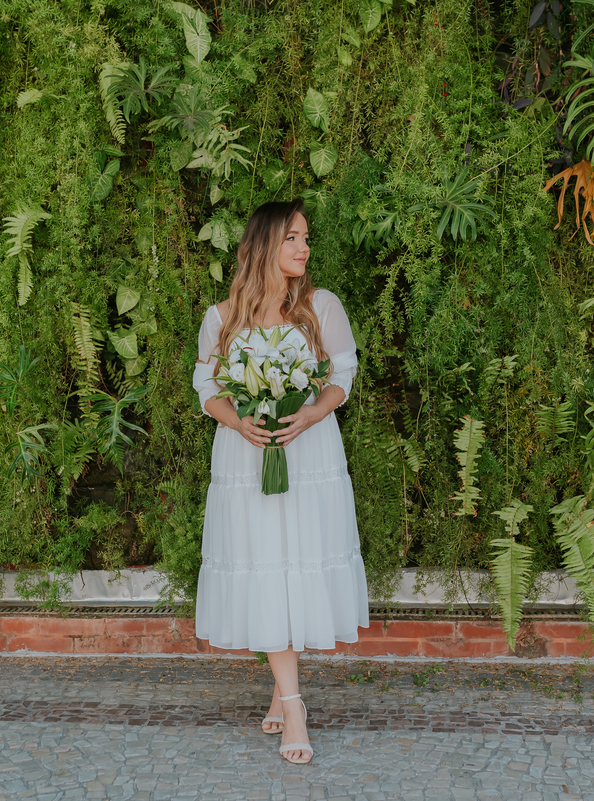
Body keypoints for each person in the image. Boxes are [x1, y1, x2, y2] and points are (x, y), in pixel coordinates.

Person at [191, 199, 369, 765]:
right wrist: (238, 421)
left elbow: (342, 373)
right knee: (266, 565)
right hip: (247, 459)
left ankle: (282, 691)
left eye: (307, 238)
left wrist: (314, 413)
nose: (304, 248)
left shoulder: (322, 305)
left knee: (297, 565)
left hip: (308, 450)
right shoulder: (222, 319)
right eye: (293, 237)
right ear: (265, 242)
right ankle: (294, 705)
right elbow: (208, 389)